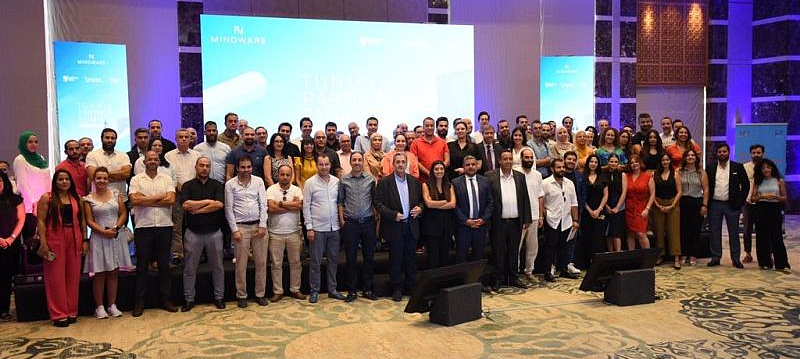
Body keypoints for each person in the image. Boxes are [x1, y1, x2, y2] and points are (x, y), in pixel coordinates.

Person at [129, 151, 177, 317]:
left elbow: (170, 200)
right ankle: (140, 302)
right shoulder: (136, 179)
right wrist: (159, 197)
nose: (152, 161)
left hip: (164, 225)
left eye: (155, 159)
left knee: (164, 265)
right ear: (144, 161)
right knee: (142, 266)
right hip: (144, 227)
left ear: (158, 161)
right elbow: (134, 201)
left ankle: (166, 300)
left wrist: (146, 199)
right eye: (149, 159)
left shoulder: (166, 179)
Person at [36, 169, 86, 326]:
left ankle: (72, 311)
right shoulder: (47, 198)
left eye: (67, 179)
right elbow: (41, 221)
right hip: (55, 238)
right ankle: (59, 314)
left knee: (73, 277)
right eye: (60, 179)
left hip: (74, 237)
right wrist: (43, 242)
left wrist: (85, 240)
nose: (64, 182)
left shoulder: (77, 197)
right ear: (55, 182)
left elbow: (82, 221)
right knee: (55, 277)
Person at [375, 152, 424, 301]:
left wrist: (420, 209)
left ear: (407, 164)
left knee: (410, 259)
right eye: (398, 162)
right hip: (394, 226)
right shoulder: (384, 182)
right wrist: (392, 215)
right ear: (393, 164)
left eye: (403, 162)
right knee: (395, 259)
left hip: (411, 226)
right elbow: (378, 203)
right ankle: (396, 288)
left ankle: (411, 286)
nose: (401, 164)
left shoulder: (415, 181)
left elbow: (421, 201)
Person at [82, 167, 131, 318]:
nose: (102, 181)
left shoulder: (116, 195)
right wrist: (103, 231)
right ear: (94, 180)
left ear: (108, 179)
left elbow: (123, 213)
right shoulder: (88, 199)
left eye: (104, 178)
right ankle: (99, 307)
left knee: (113, 272)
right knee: (100, 273)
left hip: (115, 235)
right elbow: (89, 220)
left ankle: (112, 305)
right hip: (98, 238)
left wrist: (115, 228)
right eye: (99, 178)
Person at [179, 157, 226, 312]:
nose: (204, 168)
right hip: (193, 233)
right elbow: (186, 204)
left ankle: (219, 297)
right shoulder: (188, 185)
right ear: (196, 167)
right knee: (189, 269)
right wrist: (208, 201)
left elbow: (219, 204)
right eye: (202, 165)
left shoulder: (217, 185)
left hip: (214, 233)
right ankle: (189, 299)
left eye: (207, 166)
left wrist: (197, 209)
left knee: (218, 267)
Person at [225, 155, 268, 308]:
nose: (246, 170)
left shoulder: (259, 181)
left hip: (258, 226)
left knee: (261, 263)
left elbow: (263, 204)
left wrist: (263, 225)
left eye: (248, 167)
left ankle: (260, 294)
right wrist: (234, 230)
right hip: (240, 227)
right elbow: (229, 209)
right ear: (237, 168)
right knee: (241, 264)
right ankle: (241, 295)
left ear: (252, 167)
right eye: (242, 167)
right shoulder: (230, 184)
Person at [303, 154, 345, 303]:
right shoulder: (310, 183)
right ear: (317, 165)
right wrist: (309, 227)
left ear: (330, 165)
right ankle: (314, 291)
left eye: (326, 164)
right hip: (317, 229)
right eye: (321, 164)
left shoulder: (336, 181)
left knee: (333, 260)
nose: (324, 167)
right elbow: (306, 206)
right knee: (316, 262)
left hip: (334, 228)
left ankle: (332, 289)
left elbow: (340, 203)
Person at [486, 150, 531, 288]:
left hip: (516, 221)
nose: (508, 161)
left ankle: (513, 277)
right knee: (498, 251)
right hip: (498, 222)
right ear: (499, 161)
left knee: (514, 251)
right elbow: (487, 200)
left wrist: (527, 219)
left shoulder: (519, 176)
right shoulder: (490, 176)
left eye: (510, 159)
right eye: (505, 159)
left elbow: (525, 198)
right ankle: (498, 278)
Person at [337, 153, 379, 301]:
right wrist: (342, 220)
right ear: (350, 162)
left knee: (369, 257)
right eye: (354, 160)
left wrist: (375, 220)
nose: (356, 162)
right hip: (351, 224)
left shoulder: (370, 180)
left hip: (368, 222)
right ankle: (352, 290)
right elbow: (340, 202)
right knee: (351, 258)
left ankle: (367, 289)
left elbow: (374, 201)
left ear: (362, 162)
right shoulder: (343, 180)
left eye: (359, 160)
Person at [266, 164, 306, 302]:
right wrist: (291, 206)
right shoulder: (271, 189)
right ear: (278, 175)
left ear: (291, 176)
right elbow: (271, 208)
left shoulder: (296, 190)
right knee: (276, 264)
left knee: (295, 262)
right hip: (275, 233)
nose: (285, 177)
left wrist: (281, 204)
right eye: (282, 174)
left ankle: (295, 289)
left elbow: (300, 205)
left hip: (294, 232)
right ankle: (278, 291)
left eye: (287, 175)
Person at [706, 143, 749, 268]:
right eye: (719, 152)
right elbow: (707, 185)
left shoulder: (738, 167)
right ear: (717, 153)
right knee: (714, 232)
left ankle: (735, 259)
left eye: (724, 151)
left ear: (728, 152)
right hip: (714, 204)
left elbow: (745, 185)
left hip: (732, 205)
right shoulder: (710, 167)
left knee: (734, 232)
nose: (722, 154)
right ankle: (715, 257)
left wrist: (740, 202)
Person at [165, 129, 201, 265]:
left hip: (194, 194)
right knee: (177, 225)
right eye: (181, 137)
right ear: (176, 139)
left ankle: (197, 251)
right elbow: (168, 175)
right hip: (177, 193)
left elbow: (200, 173)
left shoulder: (197, 154)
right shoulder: (169, 156)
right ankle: (177, 253)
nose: (184, 139)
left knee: (195, 223)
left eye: (187, 137)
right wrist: (178, 187)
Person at [540, 158, 579, 281]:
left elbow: (574, 203)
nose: (561, 169)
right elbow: (541, 201)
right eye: (558, 167)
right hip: (552, 220)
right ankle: (548, 271)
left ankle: (564, 269)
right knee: (550, 246)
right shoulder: (545, 183)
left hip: (566, 220)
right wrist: (545, 215)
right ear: (552, 169)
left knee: (565, 246)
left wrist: (575, 220)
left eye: (563, 167)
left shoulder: (570, 183)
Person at [750, 159, 790, 273]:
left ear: (772, 168)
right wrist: (762, 197)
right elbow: (753, 198)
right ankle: (765, 262)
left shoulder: (779, 181)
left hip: (774, 209)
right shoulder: (758, 182)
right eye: (763, 168)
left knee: (776, 236)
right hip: (761, 208)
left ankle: (781, 263)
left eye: (768, 167)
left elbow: (784, 197)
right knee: (762, 236)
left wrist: (775, 197)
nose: (766, 170)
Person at [576, 154, 607, 269]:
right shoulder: (582, 177)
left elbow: (605, 195)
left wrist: (599, 209)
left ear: (598, 164)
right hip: (586, 211)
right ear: (587, 163)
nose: (593, 164)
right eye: (591, 162)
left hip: (600, 211)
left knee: (598, 238)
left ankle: (598, 264)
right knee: (587, 237)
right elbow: (581, 196)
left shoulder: (603, 177)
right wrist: (589, 211)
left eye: (595, 162)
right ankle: (586, 263)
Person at [0, 172, 24, 320]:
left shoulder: (15, 199)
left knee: (6, 277)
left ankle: (4, 309)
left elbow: (21, 219)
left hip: (10, 244)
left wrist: (11, 238)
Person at [422, 161, 456, 267]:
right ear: (432, 171)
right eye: (436, 169)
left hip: (446, 226)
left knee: (445, 257)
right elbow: (428, 204)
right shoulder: (426, 185)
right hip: (431, 227)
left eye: (441, 169)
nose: (439, 171)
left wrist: (435, 204)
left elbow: (453, 205)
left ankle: (444, 282)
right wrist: (444, 202)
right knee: (433, 258)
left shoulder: (449, 185)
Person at [651, 153, 682, 269]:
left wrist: (673, 205)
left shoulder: (676, 173)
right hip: (658, 204)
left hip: (673, 204)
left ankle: (676, 257)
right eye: (663, 160)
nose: (665, 162)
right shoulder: (654, 174)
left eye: (667, 160)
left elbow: (679, 191)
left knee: (674, 231)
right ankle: (660, 255)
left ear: (670, 161)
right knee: (658, 231)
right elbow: (652, 192)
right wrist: (657, 205)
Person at [517, 149, 544, 281]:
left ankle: (529, 271)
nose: (529, 159)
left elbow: (540, 196)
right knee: (517, 246)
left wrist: (541, 216)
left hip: (534, 215)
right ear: (521, 158)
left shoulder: (537, 175)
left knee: (533, 246)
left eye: (531, 157)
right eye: (526, 157)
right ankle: (514, 272)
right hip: (519, 216)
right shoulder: (515, 172)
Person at [679, 148, 708, 266]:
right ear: (685, 158)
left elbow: (706, 189)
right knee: (683, 230)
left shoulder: (701, 172)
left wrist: (704, 205)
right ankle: (684, 253)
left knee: (695, 230)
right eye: (688, 155)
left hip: (697, 202)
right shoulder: (679, 171)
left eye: (692, 155)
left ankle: (693, 254)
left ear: (696, 158)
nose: (690, 157)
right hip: (683, 203)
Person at [86, 128, 132, 201]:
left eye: (112, 138)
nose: (110, 140)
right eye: (107, 138)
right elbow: (92, 176)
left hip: (120, 198)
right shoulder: (92, 155)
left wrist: (101, 175)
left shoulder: (123, 155)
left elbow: (126, 174)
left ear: (116, 140)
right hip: (98, 200)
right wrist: (118, 176)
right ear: (101, 139)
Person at [13, 131, 51, 213]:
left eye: (36, 142)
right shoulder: (20, 159)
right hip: (31, 206)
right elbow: (22, 185)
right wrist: (34, 202)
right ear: (23, 143)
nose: (34, 144)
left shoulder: (40, 157)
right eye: (30, 142)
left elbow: (47, 178)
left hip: (46, 201)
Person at [624, 155, 655, 251]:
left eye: (636, 162)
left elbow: (652, 194)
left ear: (640, 163)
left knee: (641, 233)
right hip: (628, 208)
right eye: (632, 163)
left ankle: (648, 259)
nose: (634, 164)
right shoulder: (626, 176)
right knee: (630, 233)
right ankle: (632, 257)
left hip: (642, 208)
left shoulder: (647, 176)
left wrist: (647, 208)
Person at [742, 144, 764, 264]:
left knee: (764, 230)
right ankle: (748, 254)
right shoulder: (745, 167)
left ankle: (765, 255)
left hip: (763, 203)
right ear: (751, 154)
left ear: (762, 154)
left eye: (758, 152)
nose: (756, 155)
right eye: (754, 153)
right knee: (747, 230)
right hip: (748, 202)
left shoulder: (767, 167)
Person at [410, 117, 449, 183]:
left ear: (435, 127)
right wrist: (429, 173)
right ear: (423, 127)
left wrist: (438, 172)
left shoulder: (442, 142)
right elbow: (415, 161)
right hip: (422, 181)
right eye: (427, 126)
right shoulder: (415, 143)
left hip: (440, 180)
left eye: (431, 125)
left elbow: (447, 161)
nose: (429, 127)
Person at [603, 154, 627, 252]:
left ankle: (618, 254)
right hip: (607, 206)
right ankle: (610, 254)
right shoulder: (603, 175)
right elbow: (602, 192)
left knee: (617, 233)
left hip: (619, 206)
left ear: (618, 163)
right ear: (608, 162)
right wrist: (606, 206)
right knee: (608, 233)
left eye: (615, 162)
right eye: (611, 161)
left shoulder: (622, 174)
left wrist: (618, 207)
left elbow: (624, 191)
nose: (613, 163)